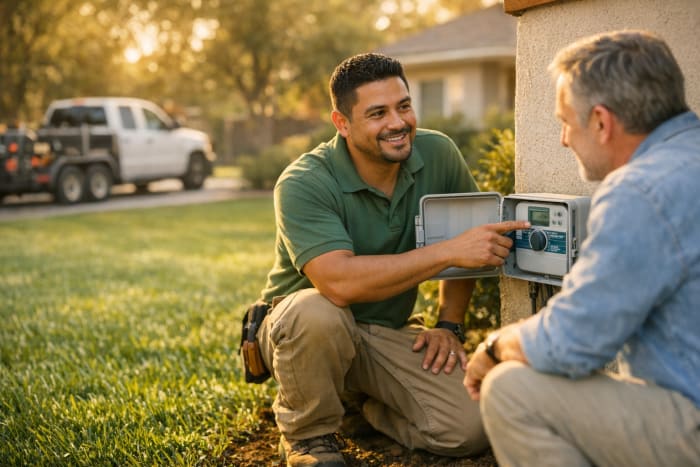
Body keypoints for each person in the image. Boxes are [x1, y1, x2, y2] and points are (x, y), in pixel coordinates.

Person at [253, 52, 528, 467]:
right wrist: (448, 251)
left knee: (470, 429)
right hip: (302, 332)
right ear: (342, 124)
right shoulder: (304, 182)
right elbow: (338, 283)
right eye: (378, 113)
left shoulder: (438, 154)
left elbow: (469, 248)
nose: (398, 123)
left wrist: (449, 325)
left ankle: (368, 408)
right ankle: (309, 439)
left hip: (383, 331)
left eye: (404, 106)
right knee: (317, 312)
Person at [464, 30, 700, 467]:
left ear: (601, 122)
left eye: (565, 121)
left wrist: (493, 347)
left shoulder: (640, 191)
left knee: (511, 390)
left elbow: (572, 342)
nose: (563, 139)